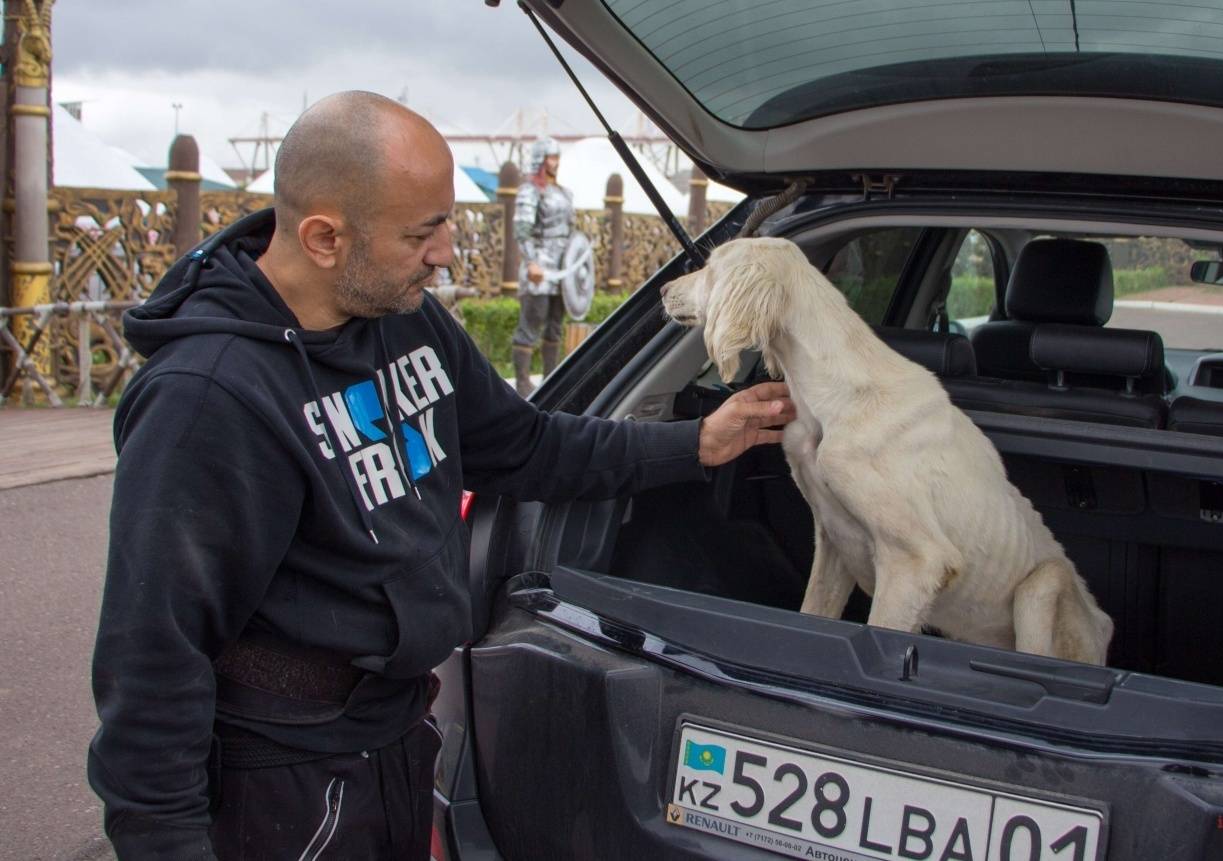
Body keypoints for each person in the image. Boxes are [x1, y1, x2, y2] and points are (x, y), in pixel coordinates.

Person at [87, 91, 794, 859]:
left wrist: (695, 443)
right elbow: (152, 662)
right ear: (325, 237)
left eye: (448, 221)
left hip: (396, 738)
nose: (449, 251)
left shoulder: (405, 318)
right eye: (424, 231)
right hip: (285, 778)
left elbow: (527, 447)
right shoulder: (208, 399)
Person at [511, 136, 573, 397]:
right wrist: (532, 262)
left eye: (557, 157)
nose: (555, 163)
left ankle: (551, 378)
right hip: (539, 269)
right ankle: (523, 383)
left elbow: (570, 232)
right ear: (540, 159)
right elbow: (522, 231)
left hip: (562, 270)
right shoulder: (529, 191)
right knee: (531, 324)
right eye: (551, 157)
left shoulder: (562, 192)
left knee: (555, 325)